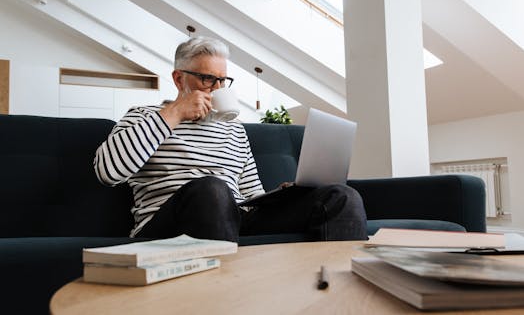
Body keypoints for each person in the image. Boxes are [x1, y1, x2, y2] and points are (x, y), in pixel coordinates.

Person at [94, 36, 367, 242]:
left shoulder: (234, 130)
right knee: (212, 190)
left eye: (222, 81)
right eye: (207, 79)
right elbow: (108, 172)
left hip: (236, 219)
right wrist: (175, 113)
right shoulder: (146, 116)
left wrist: (281, 196)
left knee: (341, 196)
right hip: (167, 225)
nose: (217, 89)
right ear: (179, 79)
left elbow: (250, 195)